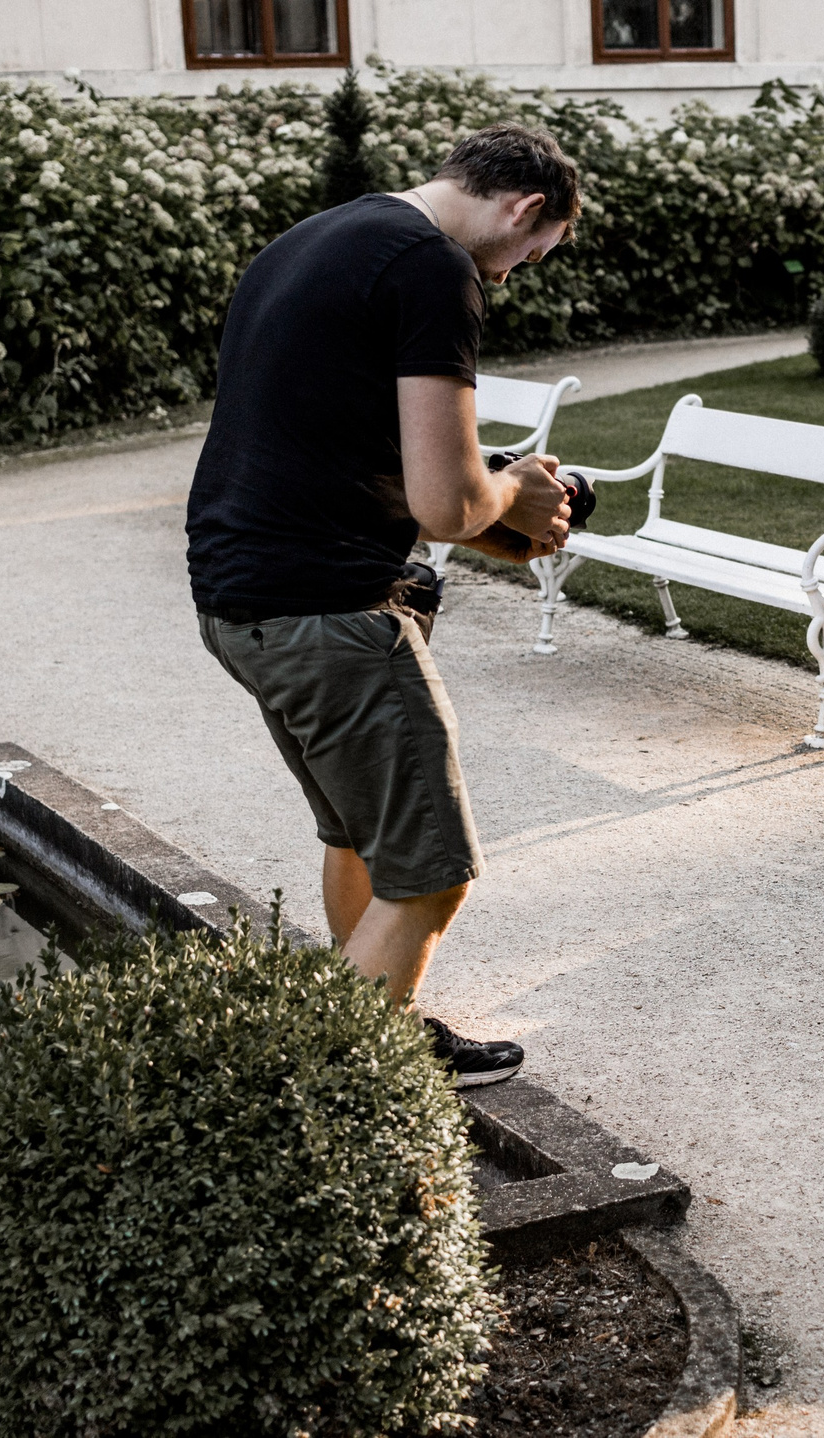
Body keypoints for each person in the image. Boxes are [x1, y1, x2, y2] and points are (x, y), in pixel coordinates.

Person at [185, 124, 580, 1086]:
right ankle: (327, 1095)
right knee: (434, 871)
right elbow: (449, 505)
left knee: (360, 838)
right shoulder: (433, 267)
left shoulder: (317, 238)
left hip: (243, 605)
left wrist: (500, 511)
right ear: (525, 208)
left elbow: (372, 466)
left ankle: (381, 1024)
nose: (518, 273)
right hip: (333, 616)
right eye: (535, 254)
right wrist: (518, 493)